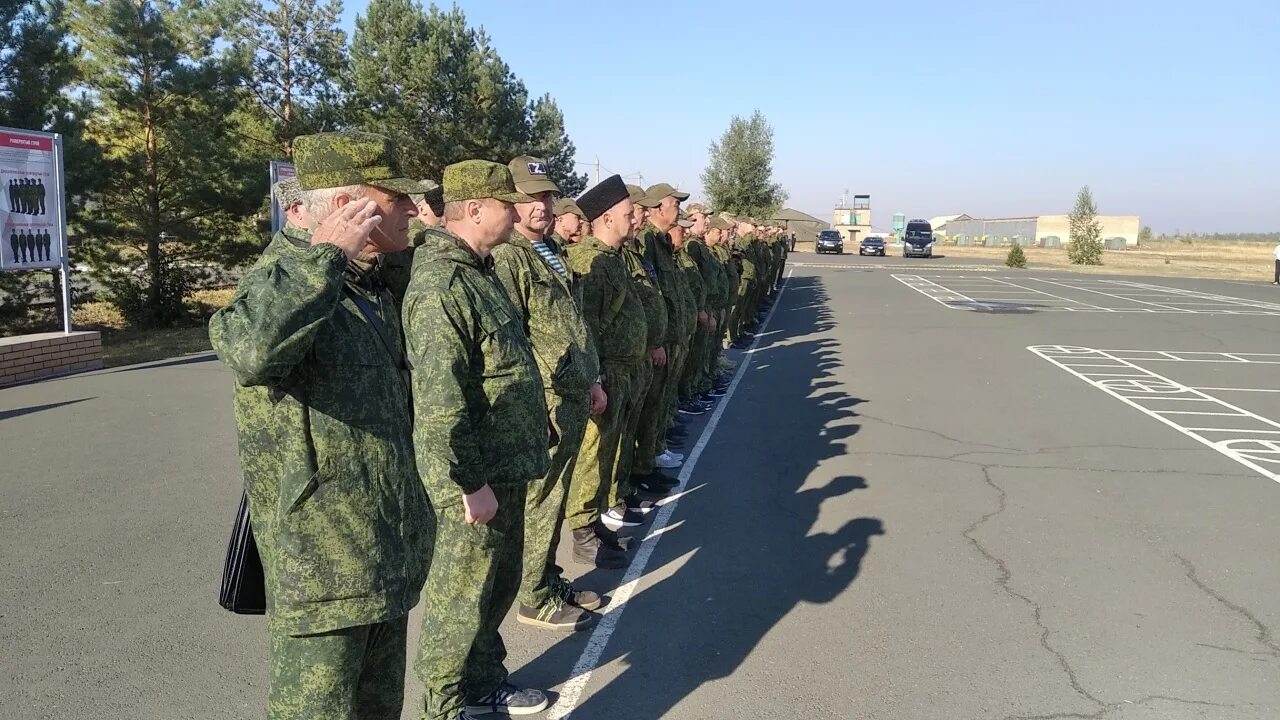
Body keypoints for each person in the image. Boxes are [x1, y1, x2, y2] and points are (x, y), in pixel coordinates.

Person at [208, 130, 434, 720]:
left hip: (381, 553)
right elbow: (250, 350)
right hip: (325, 569)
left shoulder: (370, 284)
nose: (412, 209)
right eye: (396, 200)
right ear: (346, 209)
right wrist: (323, 256)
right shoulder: (283, 277)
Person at [403, 159, 552, 720]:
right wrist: (468, 484)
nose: (519, 212)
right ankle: (441, 707)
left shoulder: (480, 271)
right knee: (459, 599)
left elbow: (501, 367)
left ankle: (484, 680)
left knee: (494, 588)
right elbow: (442, 401)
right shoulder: (442, 283)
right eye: (507, 203)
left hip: (502, 464)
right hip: (476, 477)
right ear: (473, 209)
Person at [493, 156, 606, 632]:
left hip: (573, 392)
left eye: (546, 196)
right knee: (540, 499)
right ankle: (532, 594)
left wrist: (594, 377)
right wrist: (533, 404)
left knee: (554, 496)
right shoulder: (508, 257)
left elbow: (573, 324)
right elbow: (511, 339)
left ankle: (545, 575)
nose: (543, 205)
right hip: (546, 399)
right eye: (532, 197)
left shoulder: (550, 249)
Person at [564, 175, 649, 568]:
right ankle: (583, 532)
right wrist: (594, 378)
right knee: (592, 452)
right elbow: (587, 326)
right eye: (629, 215)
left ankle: (597, 521)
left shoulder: (613, 258)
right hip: (606, 372)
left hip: (624, 369)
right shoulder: (589, 260)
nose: (635, 221)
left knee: (608, 452)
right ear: (608, 217)